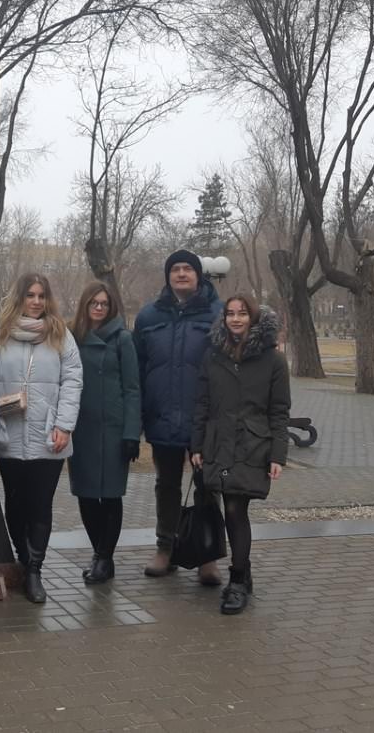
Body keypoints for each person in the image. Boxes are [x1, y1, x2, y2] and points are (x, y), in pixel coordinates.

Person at [0, 273, 83, 604]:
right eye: (30, 295)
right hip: (7, 433)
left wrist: (64, 425)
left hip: (49, 435)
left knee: (40, 504)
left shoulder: (60, 334)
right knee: (15, 502)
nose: (36, 301)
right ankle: (24, 559)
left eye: (41, 295)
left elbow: (73, 380)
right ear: (19, 297)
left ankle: (35, 569)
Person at [191, 295, 290, 614]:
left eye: (242, 313)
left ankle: (237, 580)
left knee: (235, 508)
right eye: (230, 313)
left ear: (253, 318)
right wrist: (196, 445)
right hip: (218, 443)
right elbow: (203, 403)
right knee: (228, 507)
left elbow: (279, 411)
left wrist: (278, 454)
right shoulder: (213, 355)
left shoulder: (273, 360)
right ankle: (244, 573)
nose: (235, 319)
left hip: (252, 444)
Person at [133, 249, 222, 584]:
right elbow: (138, 367)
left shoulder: (217, 313)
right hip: (162, 416)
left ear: (198, 275)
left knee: (207, 485)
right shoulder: (148, 317)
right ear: (168, 276)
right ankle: (165, 547)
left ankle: (207, 556)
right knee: (166, 485)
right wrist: (140, 413)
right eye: (175, 269)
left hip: (205, 418)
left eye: (188, 269)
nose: (181, 274)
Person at [66, 282, 141, 585]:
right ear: (85, 305)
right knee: (85, 495)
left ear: (111, 307)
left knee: (110, 496)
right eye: (93, 303)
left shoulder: (123, 339)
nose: (99, 308)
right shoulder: (72, 338)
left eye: (104, 303)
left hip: (113, 429)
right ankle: (99, 554)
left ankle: (105, 558)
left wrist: (132, 432)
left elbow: (132, 389)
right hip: (81, 428)